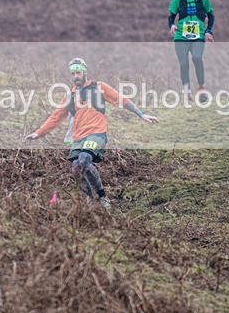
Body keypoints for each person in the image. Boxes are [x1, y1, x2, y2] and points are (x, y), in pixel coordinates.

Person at [24, 58, 159, 209]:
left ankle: (103, 198)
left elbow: (121, 100)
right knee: (76, 167)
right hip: (78, 137)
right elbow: (56, 116)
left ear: (85, 72)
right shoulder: (71, 95)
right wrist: (38, 133)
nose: (76, 76)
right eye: (73, 73)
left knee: (84, 160)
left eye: (79, 72)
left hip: (96, 133)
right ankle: (89, 199)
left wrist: (141, 114)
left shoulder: (99, 87)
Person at [168, 0, 215, 103]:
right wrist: (172, 25)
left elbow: (211, 15)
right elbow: (171, 16)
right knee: (183, 64)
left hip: (198, 36)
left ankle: (201, 87)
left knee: (197, 57)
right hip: (181, 37)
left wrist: (208, 31)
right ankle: (187, 93)